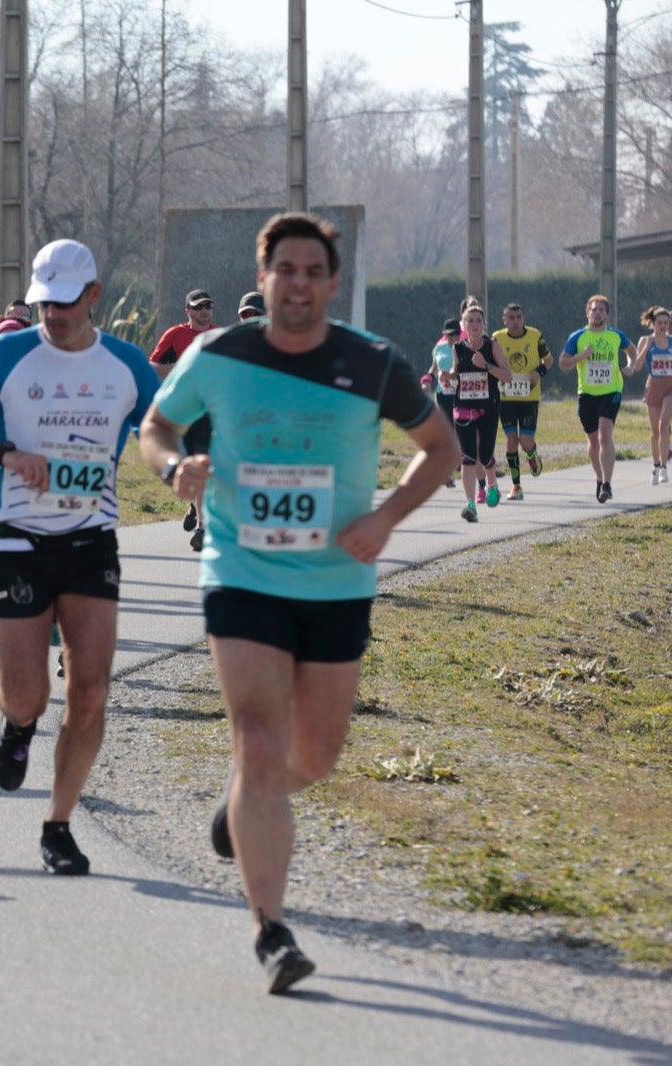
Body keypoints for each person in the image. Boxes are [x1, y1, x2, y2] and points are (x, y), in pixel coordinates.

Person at [140, 213, 457, 994]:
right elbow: (157, 426)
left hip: (334, 582)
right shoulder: (220, 353)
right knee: (255, 741)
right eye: (286, 269)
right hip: (241, 572)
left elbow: (441, 449)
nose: (300, 283)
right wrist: (175, 467)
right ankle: (271, 931)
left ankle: (243, 808)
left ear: (332, 283)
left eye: (314, 271)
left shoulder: (372, 361)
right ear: (264, 277)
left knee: (312, 759)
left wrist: (387, 517)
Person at [0, 238, 157, 876]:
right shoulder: (7, 355)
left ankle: (58, 824)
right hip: (15, 539)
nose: (53, 314)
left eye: (65, 303)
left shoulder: (125, 364)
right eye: (44, 303)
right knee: (27, 695)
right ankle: (19, 725)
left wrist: (184, 461)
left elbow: (167, 429)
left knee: (90, 690)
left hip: (91, 539)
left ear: (93, 296)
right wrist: (4, 455)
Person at [150, 289, 217, 551]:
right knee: (184, 465)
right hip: (180, 410)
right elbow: (153, 366)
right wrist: (176, 368)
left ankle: (202, 528)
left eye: (208, 306)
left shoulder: (219, 336)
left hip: (207, 412)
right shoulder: (175, 335)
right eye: (199, 307)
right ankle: (193, 504)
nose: (204, 311)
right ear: (188, 311)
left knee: (201, 464)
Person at [559, 295, 636, 503]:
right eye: (594, 309)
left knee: (604, 435)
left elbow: (632, 350)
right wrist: (581, 357)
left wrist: (631, 365)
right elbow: (563, 363)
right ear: (587, 313)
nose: (598, 313)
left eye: (602, 310)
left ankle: (607, 484)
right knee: (593, 441)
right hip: (587, 393)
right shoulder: (577, 337)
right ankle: (600, 479)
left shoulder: (616, 335)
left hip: (611, 391)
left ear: (607, 314)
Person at [447, 304, 513, 523]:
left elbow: (508, 376)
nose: (474, 325)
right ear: (464, 325)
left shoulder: (492, 346)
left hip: (488, 407)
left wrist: (486, 366)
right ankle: (470, 504)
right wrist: (448, 376)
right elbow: (456, 372)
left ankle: (492, 484)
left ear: (484, 324)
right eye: (470, 321)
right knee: (467, 457)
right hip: (463, 407)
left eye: (478, 321)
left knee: (484, 456)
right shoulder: (458, 348)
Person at [491, 303, 551, 501]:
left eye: (518, 317)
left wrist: (539, 372)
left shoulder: (535, 335)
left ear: (523, 318)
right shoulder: (497, 338)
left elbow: (548, 360)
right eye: (511, 318)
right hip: (505, 398)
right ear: (504, 320)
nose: (515, 322)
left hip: (529, 398)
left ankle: (531, 455)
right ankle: (516, 486)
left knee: (525, 442)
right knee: (511, 440)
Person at [632, 306, 672, 485]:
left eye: (666, 323)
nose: (663, 326)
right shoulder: (645, 340)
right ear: (653, 323)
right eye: (660, 323)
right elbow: (637, 366)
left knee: (664, 425)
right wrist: (645, 348)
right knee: (655, 431)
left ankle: (663, 468)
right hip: (654, 386)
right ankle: (655, 466)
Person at [426, 316, 460, 489]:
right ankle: (447, 473)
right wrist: (428, 379)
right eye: (449, 334)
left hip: (461, 394)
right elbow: (434, 368)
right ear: (444, 334)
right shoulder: (438, 348)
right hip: (442, 394)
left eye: (456, 334)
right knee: (446, 433)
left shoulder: (465, 347)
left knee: (459, 433)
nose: (453, 337)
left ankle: (465, 462)